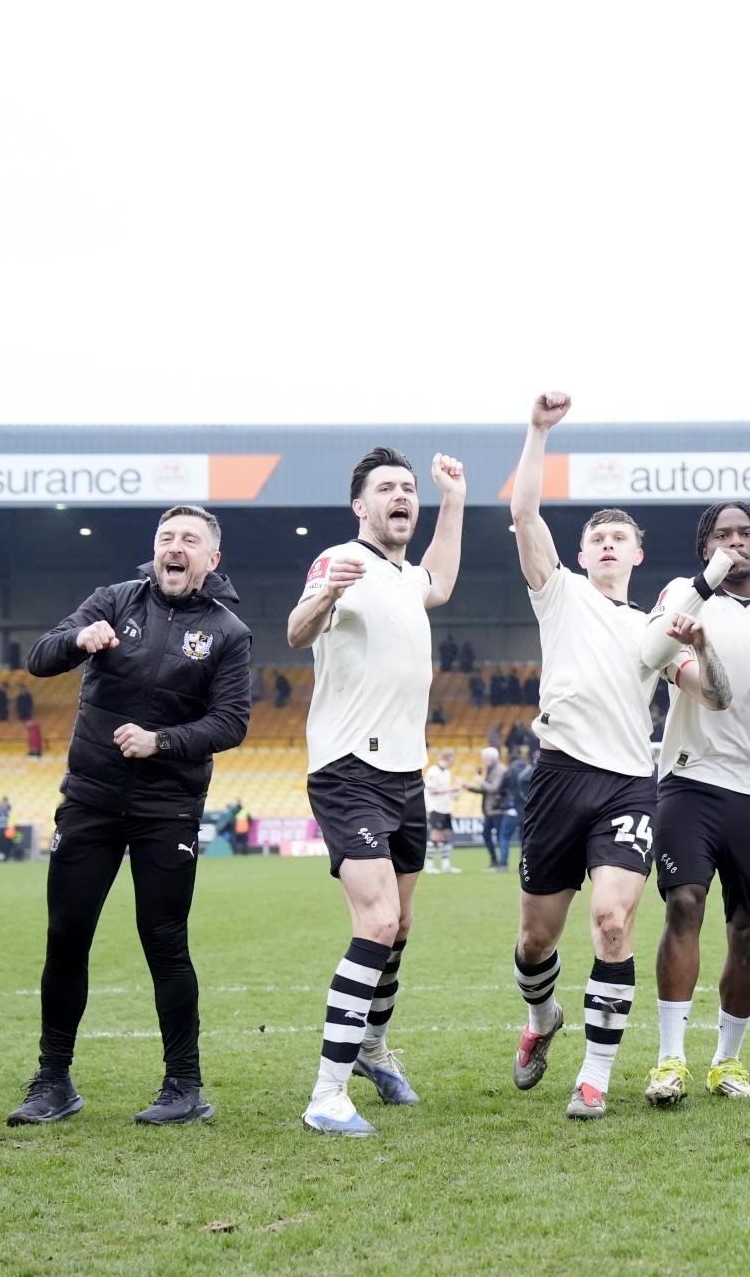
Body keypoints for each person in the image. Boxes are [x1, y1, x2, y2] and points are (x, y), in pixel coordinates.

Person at [505, 393, 731, 1121]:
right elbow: (524, 513)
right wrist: (538, 431)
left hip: (630, 786)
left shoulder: (655, 629)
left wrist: (704, 648)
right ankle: (542, 1018)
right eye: (596, 536)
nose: (606, 544)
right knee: (534, 940)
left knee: (611, 923)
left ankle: (594, 1077)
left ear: (637, 555)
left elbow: (715, 696)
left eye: (618, 537)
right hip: (558, 777)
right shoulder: (560, 594)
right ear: (580, 555)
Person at [6, 505, 252, 1128]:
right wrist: (77, 640)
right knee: (67, 936)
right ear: (155, 549)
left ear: (211, 559)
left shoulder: (228, 632)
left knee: (164, 941)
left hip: (167, 808)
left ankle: (184, 1086)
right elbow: (39, 657)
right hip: (90, 799)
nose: (175, 547)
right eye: (167, 537)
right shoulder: (114, 600)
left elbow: (231, 723)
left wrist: (160, 742)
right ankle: (53, 1081)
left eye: (189, 539)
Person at [289, 445, 467, 1136]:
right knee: (377, 923)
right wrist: (328, 592)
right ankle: (327, 1095)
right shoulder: (340, 560)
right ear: (360, 505)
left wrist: (453, 498)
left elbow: (440, 580)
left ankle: (371, 1046)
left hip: (404, 772)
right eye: (387, 488)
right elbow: (297, 631)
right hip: (348, 769)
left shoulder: (404, 576)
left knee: (401, 926)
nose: (402, 497)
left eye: (408, 489)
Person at [641, 501, 750, 1106]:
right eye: (722, 534)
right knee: (684, 904)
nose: (735, 541)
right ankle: (669, 1061)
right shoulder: (684, 596)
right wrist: (703, 586)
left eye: (745, 533)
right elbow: (651, 653)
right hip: (688, 781)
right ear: (705, 548)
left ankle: (727, 1061)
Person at [469, 746, 510, 872]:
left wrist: (480, 781)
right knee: (487, 835)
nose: (482, 759)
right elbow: (486, 790)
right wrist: (468, 787)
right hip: (490, 810)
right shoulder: (491, 769)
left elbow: (494, 788)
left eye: (483, 757)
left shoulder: (499, 769)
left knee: (500, 837)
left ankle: (502, 864)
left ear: (488, 758)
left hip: (497, 809)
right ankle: (495, 862)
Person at [424, 750, 460, 874]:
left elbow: (445, 790)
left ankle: (446, 865)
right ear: (447, 759)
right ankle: (429, 865)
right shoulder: (433, 771)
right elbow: (431, 790)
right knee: (435, 835)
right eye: (452, 760)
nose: (453, 763)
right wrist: (450, 789)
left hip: (446, 808)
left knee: (446, 835)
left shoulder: (447, 772)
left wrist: (454, 794)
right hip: (435, 807)